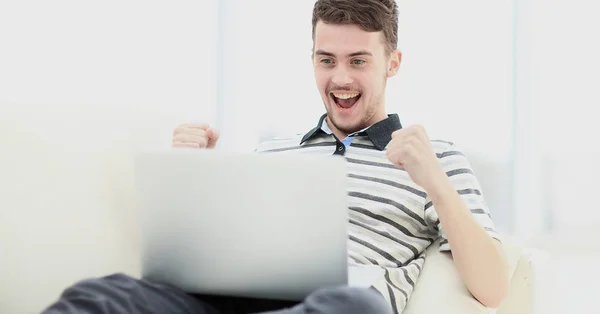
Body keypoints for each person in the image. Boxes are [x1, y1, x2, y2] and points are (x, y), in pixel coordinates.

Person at [41, 0, 510, 313]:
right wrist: (195, 175)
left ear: (393, 63)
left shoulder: (436, 159)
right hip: (227, 300)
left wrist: (436, 184)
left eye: (358, 60)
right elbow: (216, 253)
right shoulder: (271, 154)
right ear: (312, 60)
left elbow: (493, 287)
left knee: (356, 307)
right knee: (101, 295)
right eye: (327, 60)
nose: (340, 77)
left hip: (335, 304)